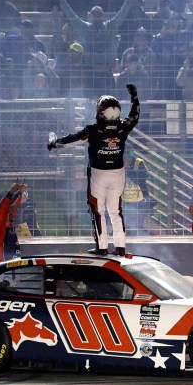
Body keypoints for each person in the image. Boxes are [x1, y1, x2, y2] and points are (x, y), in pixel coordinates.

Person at [47, 84, 140, 256]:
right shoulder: (123, 127)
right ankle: (120, 247)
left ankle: (102, 247)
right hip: (118, 174)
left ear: (100, 111)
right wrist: (134, 96)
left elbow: (71, 140)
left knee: (98, 211)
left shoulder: (93, 130)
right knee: (116, 211)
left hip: (99, 174)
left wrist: (54, 143)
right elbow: (135, 116)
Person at [0, 182, 27, 265]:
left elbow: (13, 206)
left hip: (9, 270)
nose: (14, 209)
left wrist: (19, 193)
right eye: (10, 207)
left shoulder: (9, 227)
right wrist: (12, 192)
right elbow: (3, 207)